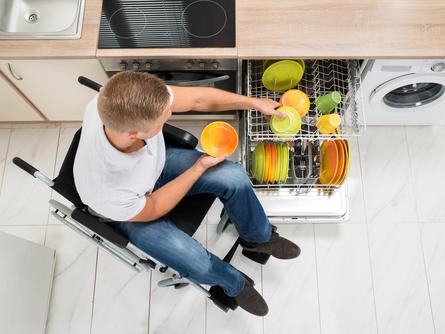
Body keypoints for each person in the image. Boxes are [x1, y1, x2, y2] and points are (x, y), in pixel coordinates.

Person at [73, 71, 300, 316]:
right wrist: (197, 168)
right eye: (161, 122)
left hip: (152, 168)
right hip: (132, 211)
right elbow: (154, 206)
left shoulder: (120, 99)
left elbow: (198, 99)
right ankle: (233, 284)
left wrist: (254, 103)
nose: (169, 115)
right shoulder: (106, 188)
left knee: (233, 176)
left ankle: (258, 239)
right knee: (196, 262)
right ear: (133, 134)